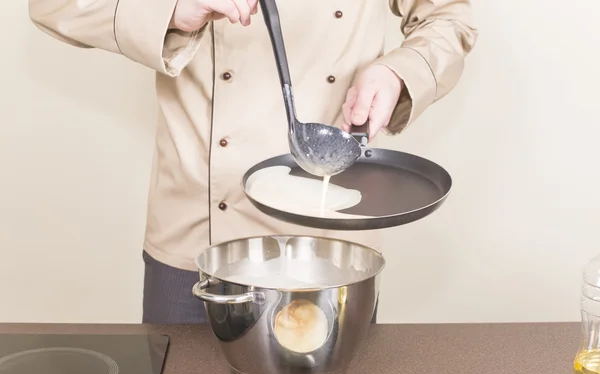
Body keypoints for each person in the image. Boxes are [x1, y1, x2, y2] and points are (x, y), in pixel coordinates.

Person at [28, 0, 477, 324]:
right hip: (194, 231)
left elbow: (449, 14)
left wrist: (400, 69)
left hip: (329, 234)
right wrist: (169, 9)